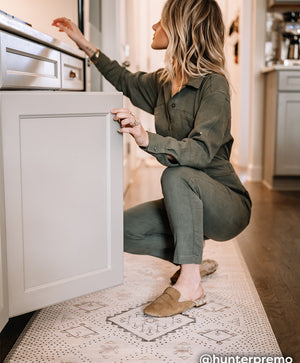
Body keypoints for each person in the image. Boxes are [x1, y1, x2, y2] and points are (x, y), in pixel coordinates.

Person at [52, 0, 251, 318]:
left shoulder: (214, 85)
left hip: (226, 203)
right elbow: (125, 79)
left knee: (176, 174)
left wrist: (145, 137)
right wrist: (83, 43)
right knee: (120, 230)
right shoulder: (162, 82)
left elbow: (199, 153)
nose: (155, 26)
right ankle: (193, 260)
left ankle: (190, 285)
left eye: (162, 21)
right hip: (187, 194)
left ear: (182, 28)